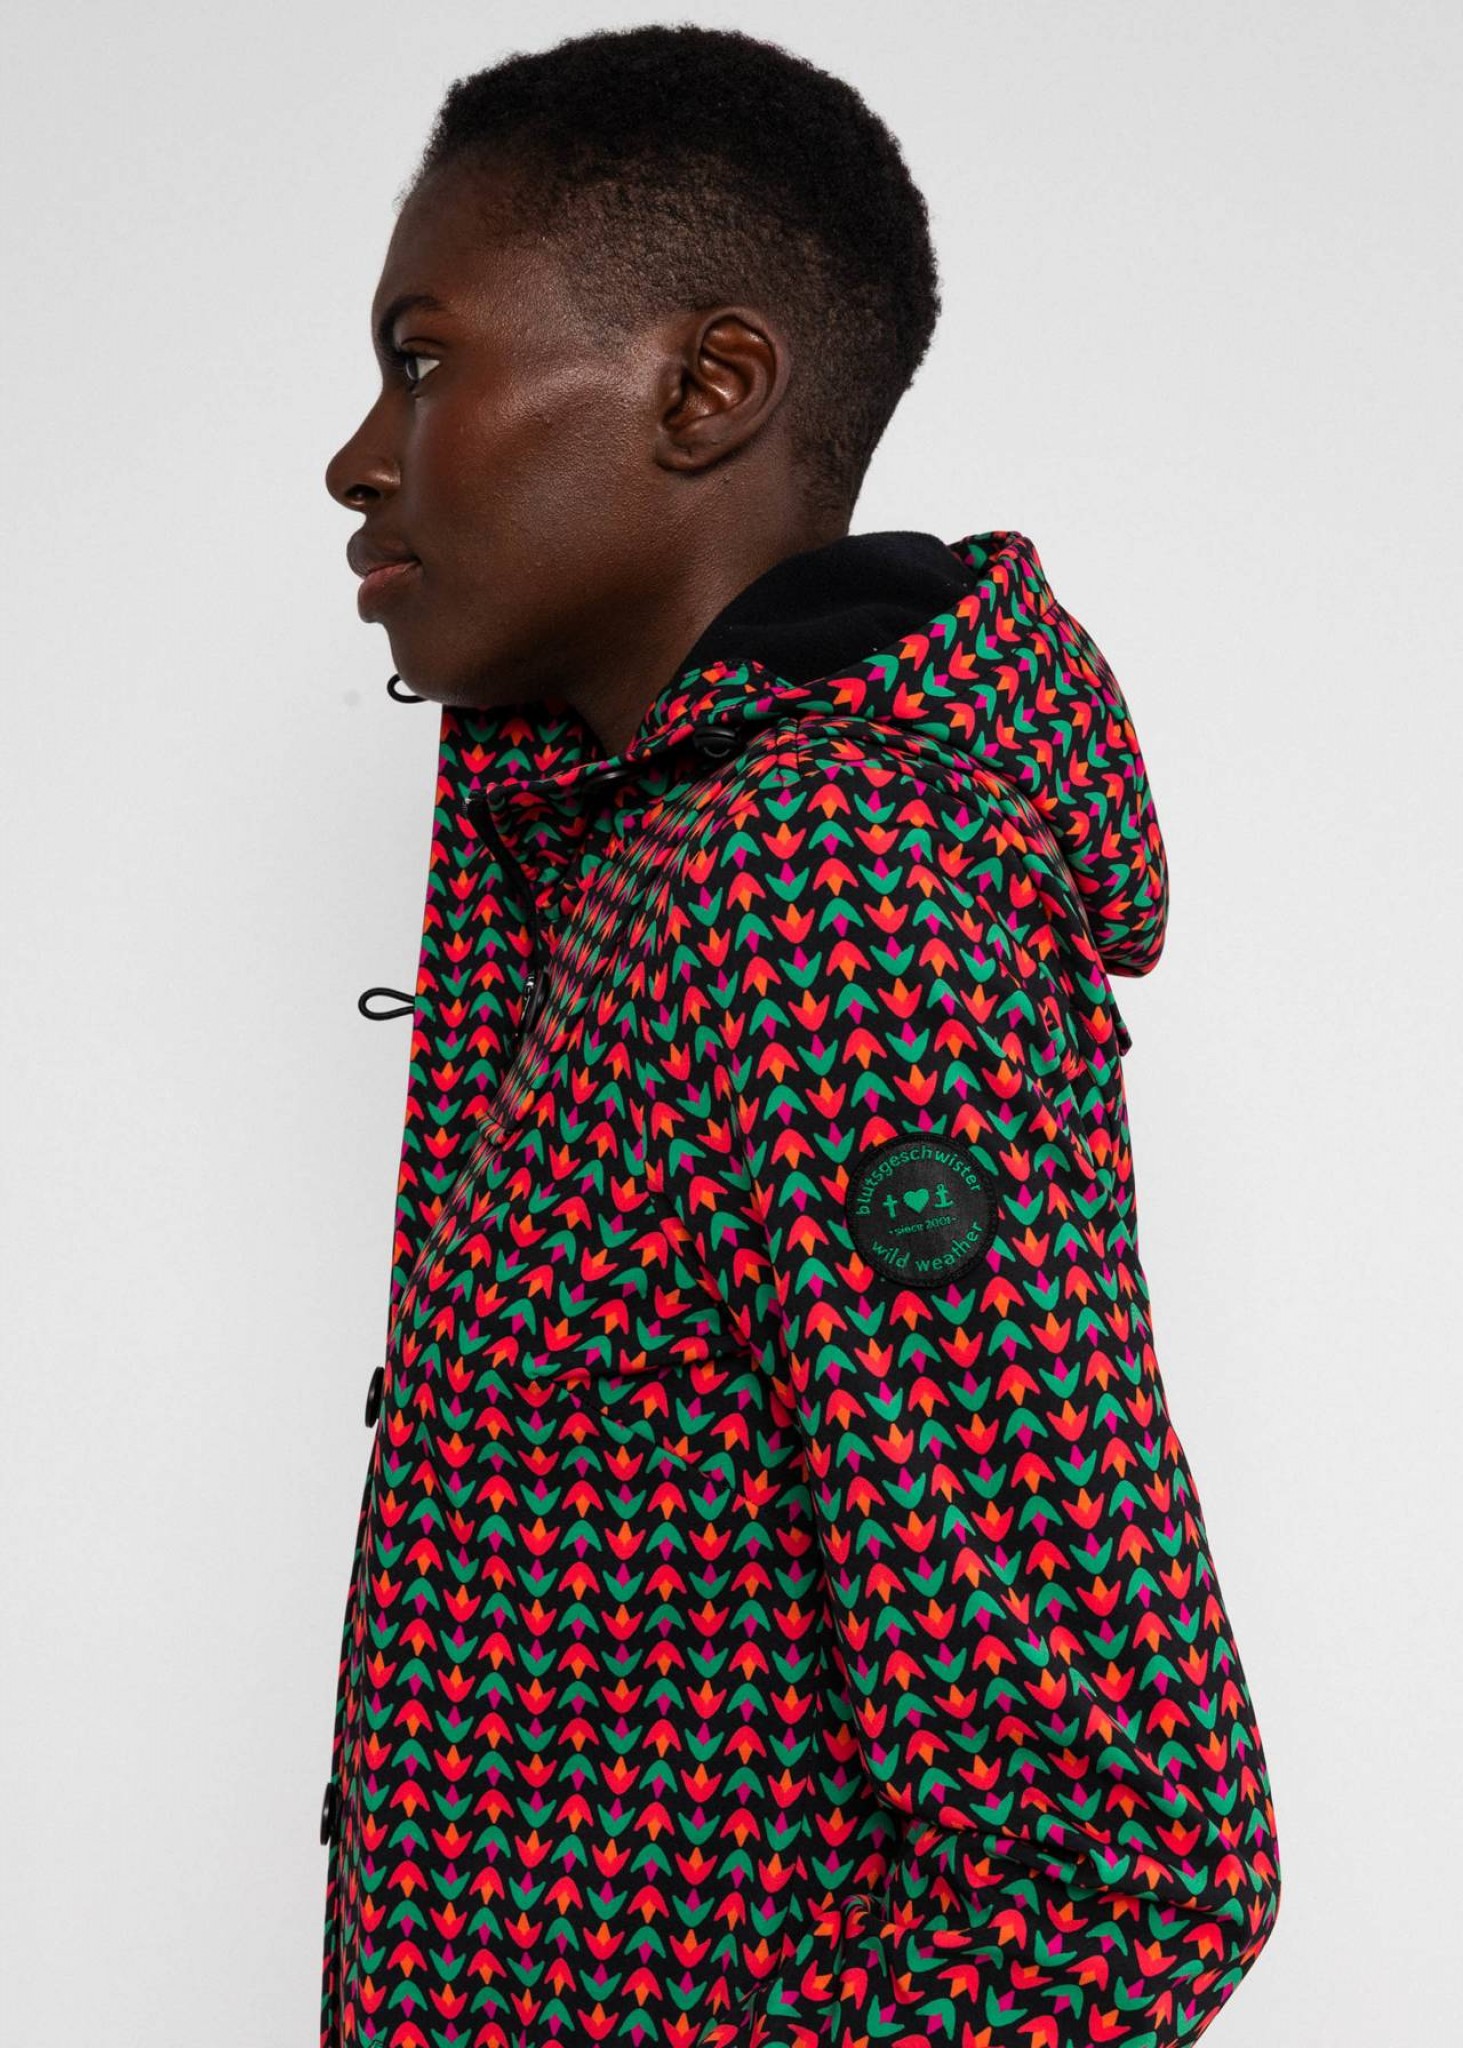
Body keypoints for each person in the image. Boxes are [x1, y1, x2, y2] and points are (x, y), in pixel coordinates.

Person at [320, 24, 1281, 2048]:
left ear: (712, 389)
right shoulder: (640, 863)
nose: (359, 457)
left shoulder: (830, 891)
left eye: (423, 360)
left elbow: (1122, 1858)